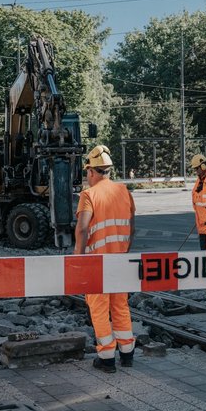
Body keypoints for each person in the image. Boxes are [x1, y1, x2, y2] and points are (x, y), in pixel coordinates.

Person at [73, 145, 136, 373]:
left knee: (99, 307)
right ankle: (127, 353)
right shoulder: (123, 191)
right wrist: (124, 251)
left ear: (91, 171)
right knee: (120, 305)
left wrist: (77, 258)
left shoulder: (88, 195)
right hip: (120, 261)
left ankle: (107, 357)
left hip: (97, 263)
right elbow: (132, 226)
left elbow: (82, 229)